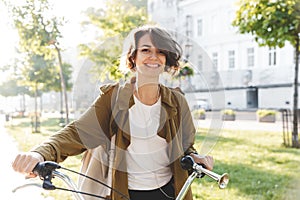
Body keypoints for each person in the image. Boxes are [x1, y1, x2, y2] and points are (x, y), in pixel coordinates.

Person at [12, 25, 214, 200]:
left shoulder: (178, 101)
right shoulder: (114, 98)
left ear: (166, 59)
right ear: (133, 57)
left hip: (172, 192)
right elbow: (77, 132)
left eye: (161, 51)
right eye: (145, 50)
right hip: (126, 193)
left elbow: (186, 145)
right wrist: (39, 153)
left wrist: (196, 158)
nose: (154, 56)